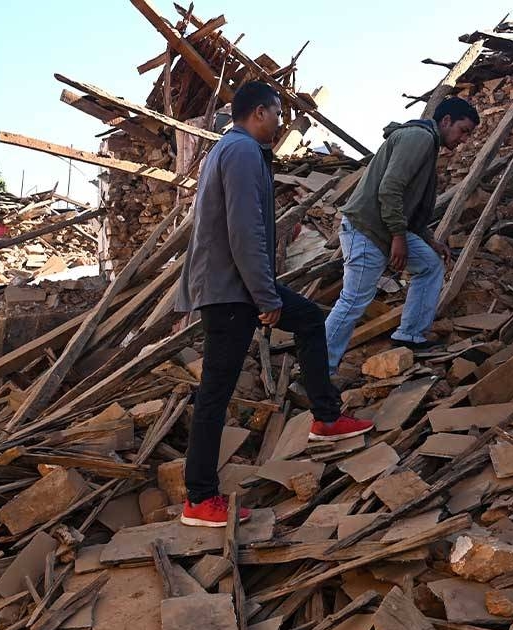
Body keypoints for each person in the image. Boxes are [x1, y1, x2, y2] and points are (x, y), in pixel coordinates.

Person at [174, 81, 375, 528]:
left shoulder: (230, 150)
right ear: (260, 112)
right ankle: (200, 498)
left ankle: (325, 418)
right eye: (278, 112)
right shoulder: (242, 152)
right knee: (215, 393)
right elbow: (244, 232)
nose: (282, 122)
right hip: (231, 290)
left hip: (233, 286)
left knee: (308, 321)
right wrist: (264, 296)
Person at [325, 98, 480, 373]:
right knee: (353, 302)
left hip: (385, 227)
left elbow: (410, 203)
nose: (464, 139)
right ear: (446, 121)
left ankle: (409, 335)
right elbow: (390, 189)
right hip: (368, 230)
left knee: (430, 265)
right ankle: (319, 368)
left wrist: (429, 239)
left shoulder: (427, 143)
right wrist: (398, 236)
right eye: (463, 130)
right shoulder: (419, 138)